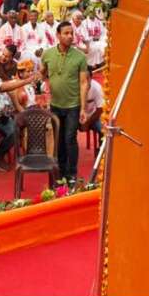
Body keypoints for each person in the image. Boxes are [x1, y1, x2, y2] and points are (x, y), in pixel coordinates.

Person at [40, 21, 89, 184]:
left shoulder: (80, 57)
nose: (70, 36)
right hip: (55, 105)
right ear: (58, 35)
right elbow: (42, 74)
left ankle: (72, 174)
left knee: (70, 138)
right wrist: (44, 90)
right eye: (66, 33)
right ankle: (60, 172)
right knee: (59, 139)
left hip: (73, 106)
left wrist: (83, 108)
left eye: (71, 33)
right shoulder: (47, 54)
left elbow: (83, 83)